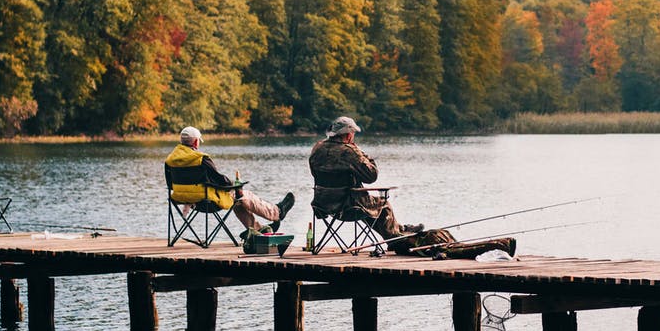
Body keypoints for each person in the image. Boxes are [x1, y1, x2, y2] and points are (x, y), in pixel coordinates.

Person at [309, 116, 516, 259]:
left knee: (373, 207)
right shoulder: (349, 151)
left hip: (323, 205)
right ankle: (398, 237)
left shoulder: (317, 149)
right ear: (348, 135)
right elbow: (371, 176)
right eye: (353, 135)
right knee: (383, 204)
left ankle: (400, 232)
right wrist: (362, 153)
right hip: (348, 205)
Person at [165, 126, 294, 237]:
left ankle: (258, 230)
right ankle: (277, 212)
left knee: (238, 200)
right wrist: (234, 185)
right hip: (207, 201)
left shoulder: (170, 160)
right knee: (243, 195)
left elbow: (170, 184)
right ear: (195, 142)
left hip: (183, 200)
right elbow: (220, 180)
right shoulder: (200, 159)